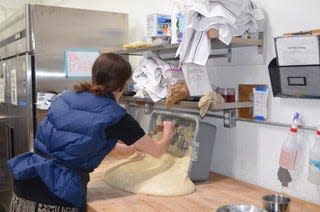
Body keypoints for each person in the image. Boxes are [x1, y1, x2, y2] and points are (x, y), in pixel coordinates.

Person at [7, 52, 176, 212]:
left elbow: (76, 142)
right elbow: (157, 151)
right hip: (56, 195)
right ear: (123, 85)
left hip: (25, 184)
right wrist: (168, 133)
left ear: (95, 76)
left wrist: (127, 149)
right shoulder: (117, 116)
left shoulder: (66, 97)